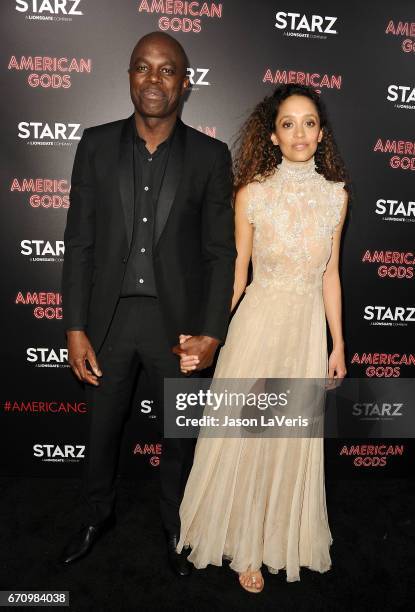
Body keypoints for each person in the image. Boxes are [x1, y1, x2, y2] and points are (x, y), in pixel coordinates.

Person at [60, 31, 236, 576]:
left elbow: (219, 252)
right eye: (142, 67)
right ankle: (96, 516)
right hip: (109, 322)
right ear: (129, 76)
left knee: (178, 438)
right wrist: (75, 327)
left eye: (166, 70)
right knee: (101, 431)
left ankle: (176, 526)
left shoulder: (210, 156)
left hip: (177, 327)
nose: (153, 79)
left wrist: (211, 332)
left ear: (185, 83)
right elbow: (80, 242)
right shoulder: (94, 144)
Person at [177, 84, 349, 592]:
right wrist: (210, 333)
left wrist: (337, 343)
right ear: (272, 136)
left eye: (310, 122)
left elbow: (330, 275)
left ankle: (278, 536)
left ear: (321, 133)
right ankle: (245, 546)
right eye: (289, 123)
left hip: (305, 333)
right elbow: (236, 276)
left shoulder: (336, 197)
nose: (300, 132)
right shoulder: (252, 192)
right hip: (257, 327)